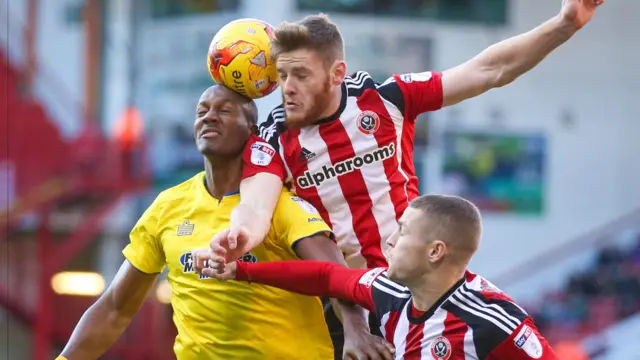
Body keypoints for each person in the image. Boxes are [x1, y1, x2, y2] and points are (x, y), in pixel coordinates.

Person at [212, 0, 604, 355]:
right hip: (347, 302)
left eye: (300, 75)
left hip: (421, 287)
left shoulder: (386, 98)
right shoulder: (274, 137)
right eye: (281, 76)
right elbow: (256, 206)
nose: (287, 89)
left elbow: (488, 70)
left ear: (337, 73)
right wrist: (241, 235)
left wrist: (565, 23)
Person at [56, 85, 393, 360]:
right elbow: (115, 308)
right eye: (202, 111)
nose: (209, 117)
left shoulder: (280, 205)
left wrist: (356, 329)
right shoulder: (167, 207)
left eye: (223, 111)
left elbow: (336, 277)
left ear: (252, 131)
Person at [203, 194, 560, 359]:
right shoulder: (389, 289)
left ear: (435, 251)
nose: (389, 240)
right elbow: (326, 277)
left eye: (402, 233)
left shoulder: (491, 322)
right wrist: (243, 270)